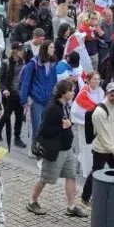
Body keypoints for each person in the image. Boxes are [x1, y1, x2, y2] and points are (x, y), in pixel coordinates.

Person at [28, 80, 87, 217]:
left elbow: (64, 123)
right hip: (56, 152)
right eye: (71, 90)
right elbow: (44, 131)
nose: (74, 92)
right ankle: (32, 202)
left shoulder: (64, 105)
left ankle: (71, 207)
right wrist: (63, 126)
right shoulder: (52, 109)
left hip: (67, 150)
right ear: (63, 92)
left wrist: (68, 124)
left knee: (71, 176)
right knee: (45, 178)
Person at [82, 82, 114, 206]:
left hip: (113, 148)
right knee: (96, 173)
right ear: (107, 94)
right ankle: (85, 198)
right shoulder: (99, 112)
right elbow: (103, 134)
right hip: (101, 149)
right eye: (112, 95)